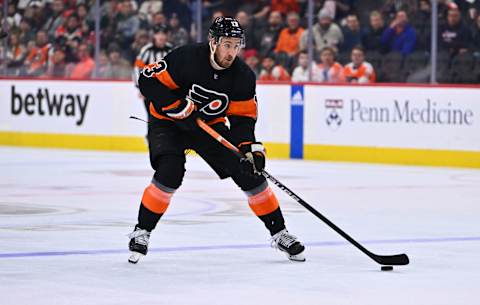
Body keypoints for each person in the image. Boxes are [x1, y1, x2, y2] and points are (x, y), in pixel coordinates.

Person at [128, 16, 305, 264]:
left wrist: (249, 149)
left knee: (249, 172)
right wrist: (176, 106)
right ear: (213, 42)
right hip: (168, 123)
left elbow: (243, 121)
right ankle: (142, 231)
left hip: (208, 127)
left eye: (236, 45)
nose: (231, 52)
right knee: (170, 172)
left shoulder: (243, 76)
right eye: (226, 44)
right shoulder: (186, 57)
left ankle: (280, 233)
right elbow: (147, 80)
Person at [134, 25, 174, 114]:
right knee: (152, 117)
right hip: (150, 87)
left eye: (163, 34)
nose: (161, 36)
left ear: (167, 36)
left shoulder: (171, 50)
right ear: (154, 36)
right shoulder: (147, 50)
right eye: (158, 34)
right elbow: (137, 68)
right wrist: (140, 87)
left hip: (167, 89)